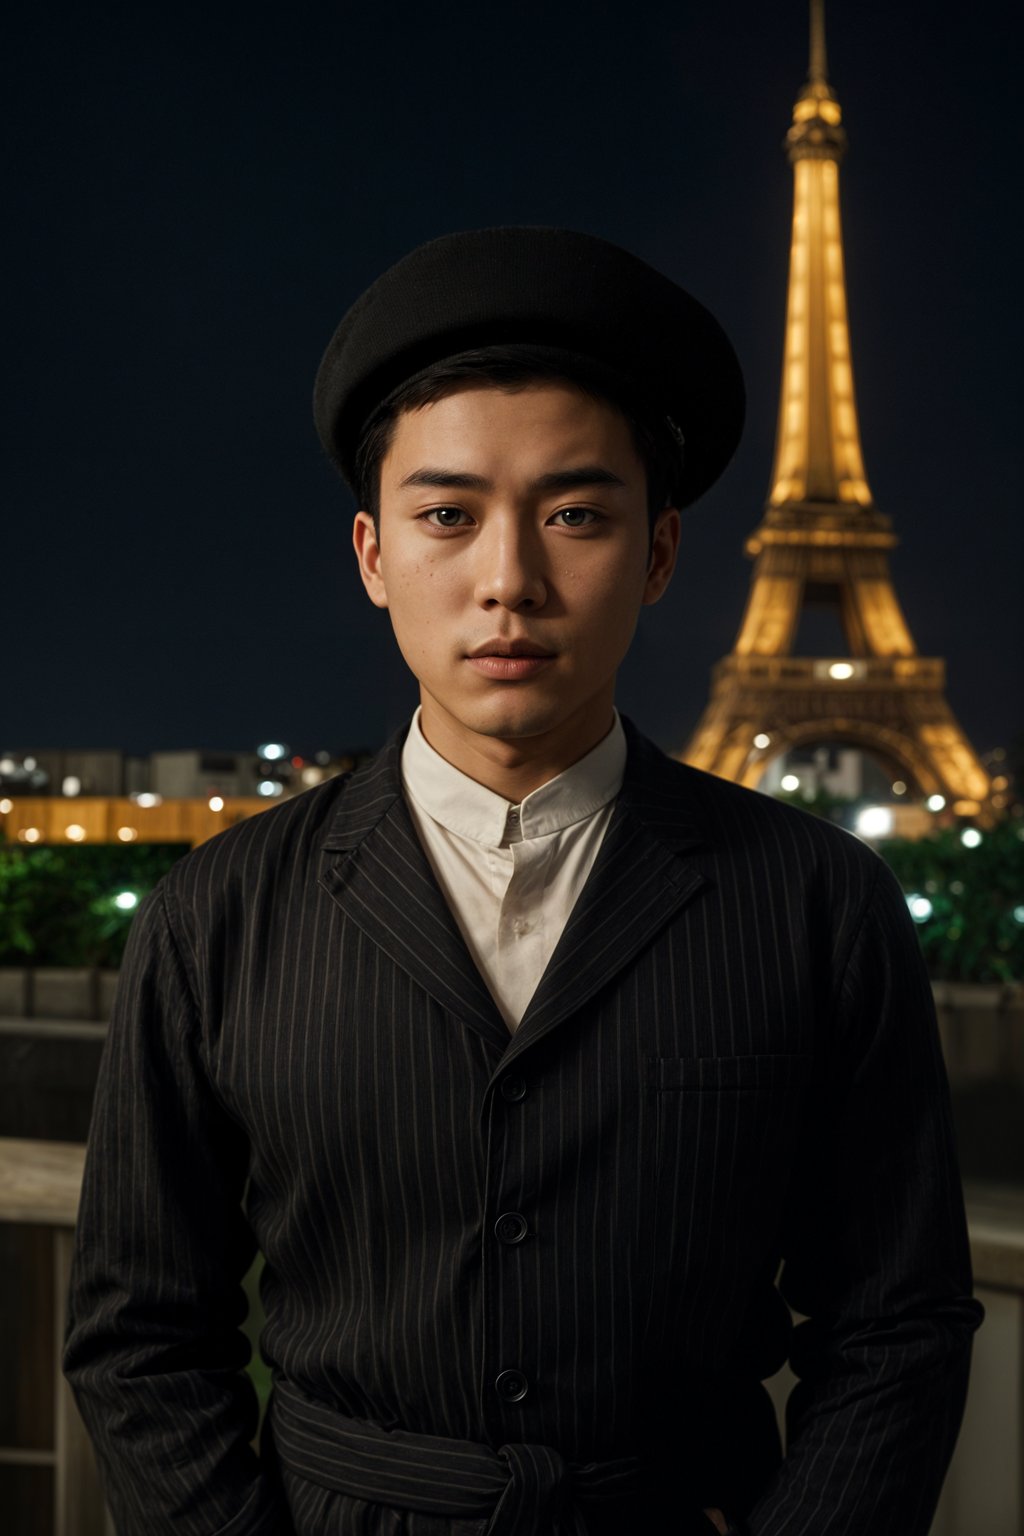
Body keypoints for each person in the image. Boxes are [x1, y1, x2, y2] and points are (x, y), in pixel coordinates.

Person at [62, 226, 983, 1536]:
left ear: (660, 555)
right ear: (375, 557)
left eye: (575, 516)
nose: (511, 582)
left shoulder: (819, 904)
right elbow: (139, 1334)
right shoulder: (218, 912)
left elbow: (897, 1323)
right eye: (448, 516)